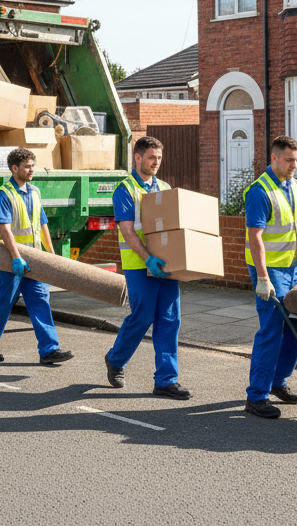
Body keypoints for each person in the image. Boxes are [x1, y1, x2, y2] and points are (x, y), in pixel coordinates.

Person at [103, 136, 190, 400]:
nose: (156, 163)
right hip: (139, 265)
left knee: (170, 319)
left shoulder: (163, 187)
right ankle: (116, 360)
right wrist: (147, 258)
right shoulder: (125, 189)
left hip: (166, 265)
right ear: (138, 157)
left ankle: (166, 380)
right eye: (151, 157)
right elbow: (128, 232)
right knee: (142, 317)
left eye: (159, 158)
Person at [0, 147, 74, 365]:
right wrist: (15, 257)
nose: (32, 170)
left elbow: (42, 225)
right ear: (14, 168)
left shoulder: (35, 192)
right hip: (12, 262)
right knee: (3, 303)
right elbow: (5, 229)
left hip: (36, 261)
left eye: (33, 166)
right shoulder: (4, 194)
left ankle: (49, 350)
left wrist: (51, 255)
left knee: (40, 301)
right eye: (27, 166)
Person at [242, 135, 297, 419]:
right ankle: (256, 396)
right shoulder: (259, 191)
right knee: (271, 331)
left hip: (294, 268)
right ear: (274, 158)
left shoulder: (295, 186)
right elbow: (255, 238)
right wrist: (262, 278)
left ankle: (278, 382)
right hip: (270, 271)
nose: (293, 165)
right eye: (288, 160)